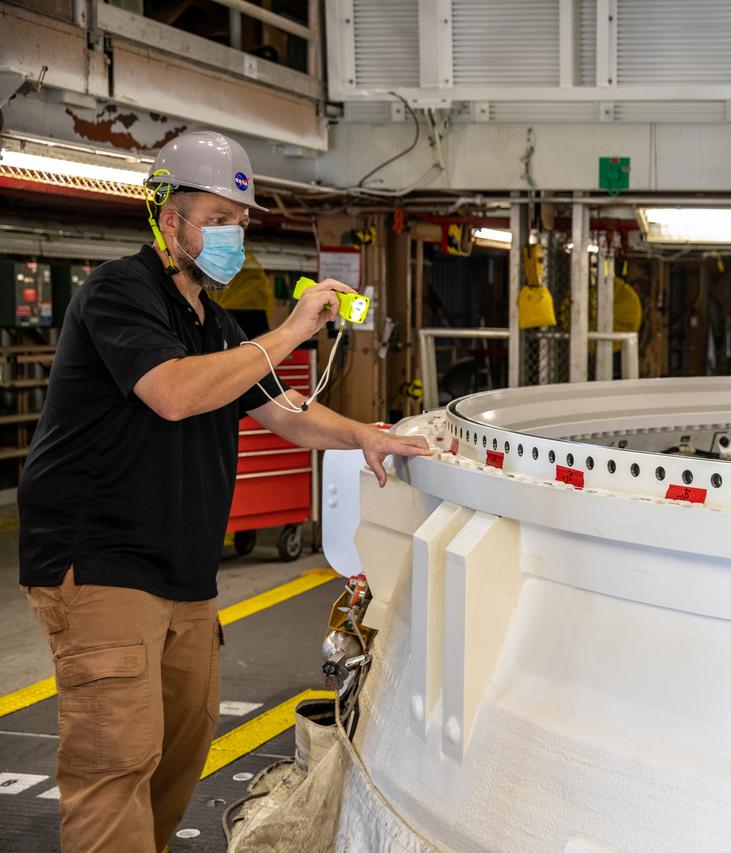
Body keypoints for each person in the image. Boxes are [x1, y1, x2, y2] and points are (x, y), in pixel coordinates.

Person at [17, 130, 431, 853]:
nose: (231, 235)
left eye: (239, 222)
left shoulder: (214, 323)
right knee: (115, 762)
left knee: (178, 753)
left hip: (184, 574)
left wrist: (363, 435)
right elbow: (172, 393)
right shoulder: (117, 293)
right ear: (168, 220)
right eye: (216, 218)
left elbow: (283, 410)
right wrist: (293, 329)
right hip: (100, 564)